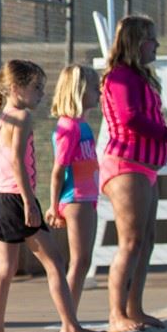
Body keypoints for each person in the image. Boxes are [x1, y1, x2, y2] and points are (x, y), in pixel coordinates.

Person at [0, 60, 103, 332]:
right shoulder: (21, 117)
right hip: (15, 198)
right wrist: (29, 202)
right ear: (16, 88)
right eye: (36, 88)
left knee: (5, 269)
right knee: (55, 263)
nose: (41, 94)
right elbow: (16, 162)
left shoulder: (1, 116)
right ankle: (71, 327)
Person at [100, 15, 167, 332]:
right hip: (125, 165)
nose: (157, 45)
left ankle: (135, 308)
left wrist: (166, 142)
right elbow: (130, 118)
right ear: (136, 42)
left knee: (146, 240)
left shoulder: (140, 77)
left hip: (145, 167)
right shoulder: (121, 77)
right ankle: (116, 314)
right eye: (152, 39)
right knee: (131, 241)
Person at [46, 64, 100, 314]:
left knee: (84, 260)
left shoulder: (83, 125)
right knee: (79, 261)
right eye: (94, 88)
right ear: (79, 91)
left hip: (87, 198)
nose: (99, 92)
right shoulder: (69, 127)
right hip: (75, 199)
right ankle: (68, 320)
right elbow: (58, 171)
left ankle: (71, 316)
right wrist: (54, 206)